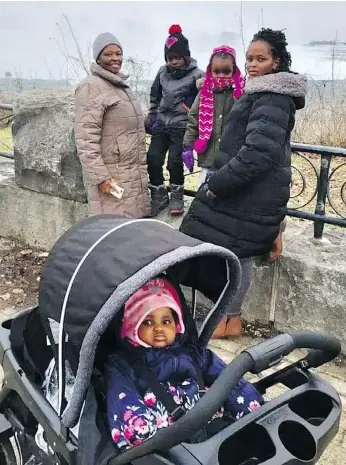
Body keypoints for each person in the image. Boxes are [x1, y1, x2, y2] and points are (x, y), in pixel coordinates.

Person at [179, 28, 307, 339]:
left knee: (240, 253)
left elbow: (257, 153)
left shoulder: (273, 97)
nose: (252, 64)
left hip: (249, 188)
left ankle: (229, 319)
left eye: (260, 59)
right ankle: (224, 316)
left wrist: (217, 184)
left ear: (276, 62)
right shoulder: (262, 92)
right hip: (252, 188)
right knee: (234, 249)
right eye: (249, 58)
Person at [105, 277, 263, 451]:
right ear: (131, 325)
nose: (158, 329)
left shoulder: (193, 353)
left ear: (176, 324)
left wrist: (251, 406)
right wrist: (146, 433)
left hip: (209, 426)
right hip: (167, 442)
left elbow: (227, 380)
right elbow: (124, 401)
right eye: (147, 322)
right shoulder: (122, 364)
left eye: (166, 322)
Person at [75, 32, 150, 218]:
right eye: (108, 54)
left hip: (132, 176)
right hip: (111, 179)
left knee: (130, 232)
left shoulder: (119, 86)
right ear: (98, 58)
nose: (115, 58)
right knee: (113, 230)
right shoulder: (92, 87)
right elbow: (86, 141)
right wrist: (102, 180)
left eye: (118, 53)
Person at [145, 25, 204, 217]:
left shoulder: (197, 75)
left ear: (186, 56)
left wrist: (191, 108)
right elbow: (155, 93)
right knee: (153, 158)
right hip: (161, 123)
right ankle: (159, 193)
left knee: (174, 161)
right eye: (170, 58)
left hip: (182, 126)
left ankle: (177, 195)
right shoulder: (162, 72)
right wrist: (153, 113)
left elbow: (204, 98)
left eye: (178, 57)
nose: (174, 62)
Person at [182, 45, 244, 182]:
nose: (221, 76)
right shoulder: (204, 93)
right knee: (205, 190)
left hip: (232, 156)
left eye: (226, 72)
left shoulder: (240, 94)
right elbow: (194, 118)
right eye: (217, 72)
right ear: (210, 71)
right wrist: (188, 145)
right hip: (209, 155)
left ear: (234, 71)